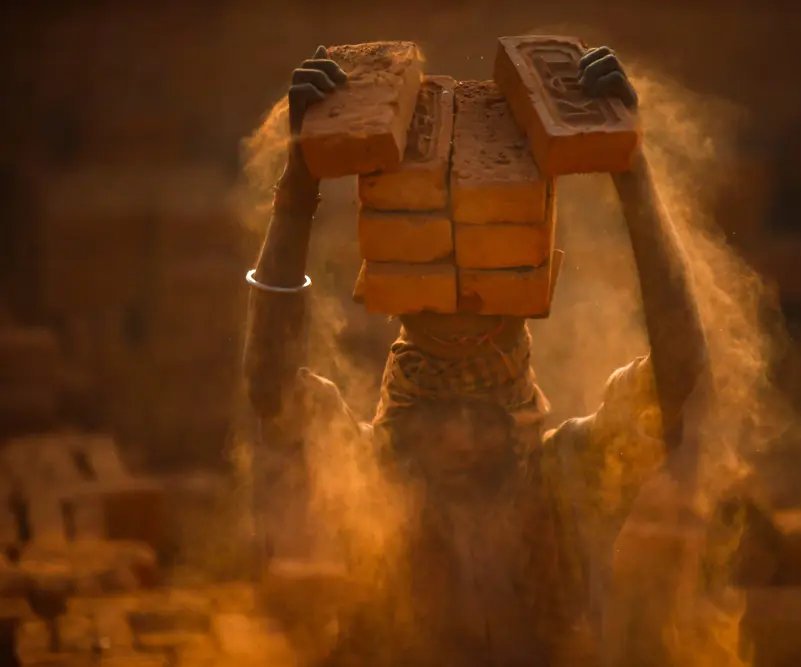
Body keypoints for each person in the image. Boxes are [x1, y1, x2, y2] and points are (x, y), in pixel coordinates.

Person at [243, 44, 706, 667]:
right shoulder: (367, 479)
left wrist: (630, 168)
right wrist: (299, 183)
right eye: (438, 421)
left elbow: (681, 384)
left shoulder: (567, 482)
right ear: (401, 423)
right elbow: (271, 386)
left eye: (480, 417)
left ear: (517, 413)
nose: (461, 441)